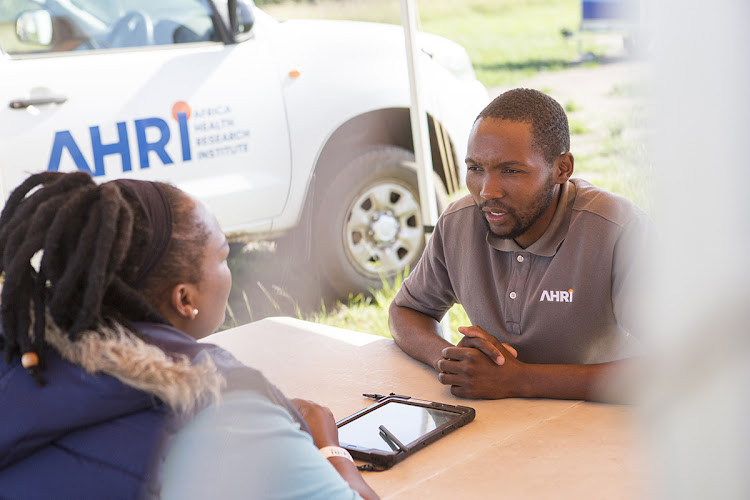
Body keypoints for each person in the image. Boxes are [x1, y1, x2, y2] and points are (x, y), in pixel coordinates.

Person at [0, 171, 378, 500]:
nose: (229, 268)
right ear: (185, 299)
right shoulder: (222, 411)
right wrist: (328, 447)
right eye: (223, 255)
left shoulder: (21, 359)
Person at [389, 88, 648, 402]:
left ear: (562, 169)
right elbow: (406, 311)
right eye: (475, 168)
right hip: (498, 422)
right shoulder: (459, 222)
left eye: (510, 171)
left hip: (597, 425)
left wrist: (521, 380)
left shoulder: (616, 230)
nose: (487, 191)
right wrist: (450, 360)